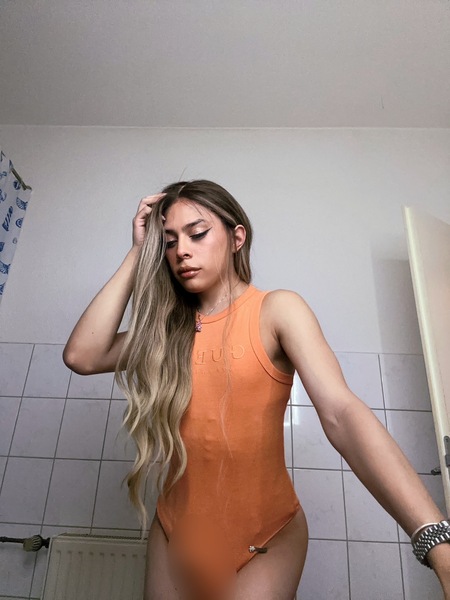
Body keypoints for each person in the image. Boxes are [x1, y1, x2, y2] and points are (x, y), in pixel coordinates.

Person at [64, 180, 450, 600]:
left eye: (197, 233)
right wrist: (138, 253)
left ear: (237, 237)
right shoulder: (167, 332)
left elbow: (342, 413)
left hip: (266, 539)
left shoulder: (277, 310)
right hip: (173, 531)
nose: (181, 251)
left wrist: (436, 542)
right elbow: (82, 355)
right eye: (170, 242)